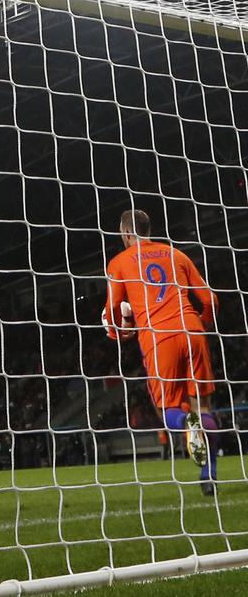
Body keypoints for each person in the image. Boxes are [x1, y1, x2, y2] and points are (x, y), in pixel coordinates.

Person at [105, 209, 219, 494]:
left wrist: (119, 332)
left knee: (167, 410)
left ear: (126, 233)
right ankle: (209, 476)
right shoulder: (176, 254)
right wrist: (201, 324)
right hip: (192, 329)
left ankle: (185, 423)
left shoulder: (119, 263)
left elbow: (112, 312)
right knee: (203, 407)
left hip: (159, 337)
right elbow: (210, 299)